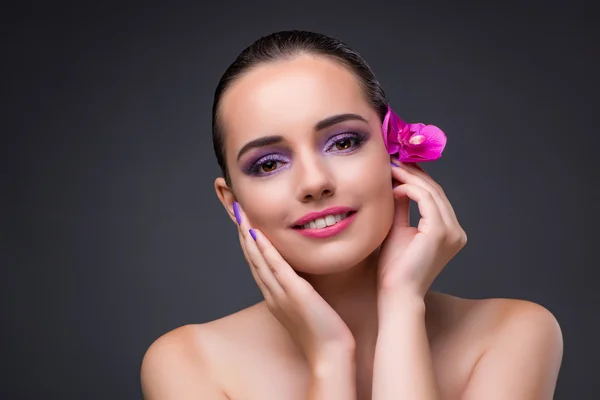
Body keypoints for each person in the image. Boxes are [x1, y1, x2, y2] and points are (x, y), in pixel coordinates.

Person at [140, 30, 563, 399]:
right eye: (268, 164)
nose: (314, 182)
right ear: (231, 201)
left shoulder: (513, 334)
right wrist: (330, 358)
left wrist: (401, 307)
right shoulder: (188, 363)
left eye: (343, 142)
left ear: (394, 149)